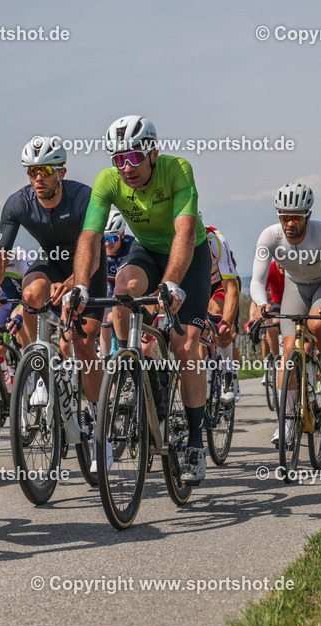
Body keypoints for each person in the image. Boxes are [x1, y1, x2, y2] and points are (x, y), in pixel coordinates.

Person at [68, 115, 212, 485]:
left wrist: (172, 284)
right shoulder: (109, 180)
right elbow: (89, 237)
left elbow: (185, 230)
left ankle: (195, 440)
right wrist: (82, 285)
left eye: (133, 157)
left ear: (152, 152)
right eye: (118, 159)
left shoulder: (177, 169)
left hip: (188, 259)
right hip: (147, 251)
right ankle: (132, 367)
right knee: (122, 293)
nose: (126, 167)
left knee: (184, 346)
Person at [0, 135, 106, 447]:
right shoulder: (18, 203)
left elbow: (92, 250)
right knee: (31, 295)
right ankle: (42, 367)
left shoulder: (82, 197)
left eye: (45, 171)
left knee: (85, 343)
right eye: (32, 171)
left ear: (61, 172)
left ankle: (99, 420)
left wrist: (75, 282)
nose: (38, 178)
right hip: (52, 261)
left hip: (89, 264)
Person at [248, 183, 321, 448]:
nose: (289, 223)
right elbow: (257, 280)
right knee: (289, 350)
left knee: (317, 323)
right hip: (296, 287)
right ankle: (288, 422)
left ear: (308, 215)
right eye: (284, 216)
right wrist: (261, 303)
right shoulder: (269, 236)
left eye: (296, 216)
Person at [204, 220, 241, 403]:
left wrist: (225, 323)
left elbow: (231, 289)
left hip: (222, 283)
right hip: (198, 286)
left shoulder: (215, 239)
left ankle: (228, 371)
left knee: (219, 325)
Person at [100, 208, 135, 354]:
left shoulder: (132, 246)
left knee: (141, 342)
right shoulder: (98, 247)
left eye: (112, 238)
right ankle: (105, 361)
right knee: (105, 323)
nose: (107, 244)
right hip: (111, 289)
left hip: (130, 289)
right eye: (104, 238)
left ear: (122, 235)